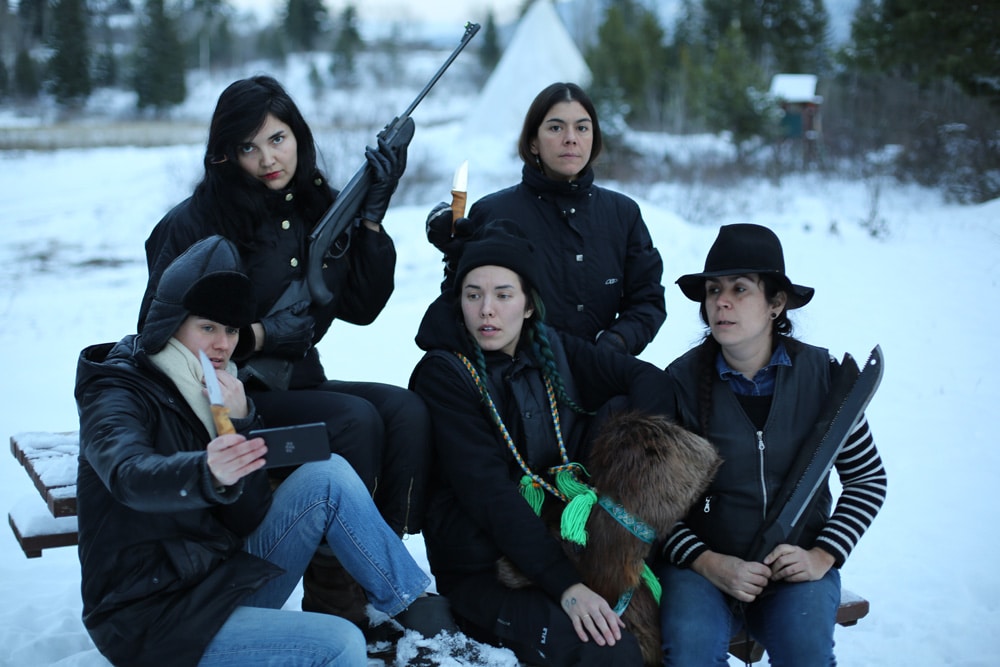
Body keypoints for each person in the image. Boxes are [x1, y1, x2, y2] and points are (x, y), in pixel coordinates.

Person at [137, 75, 430, 624]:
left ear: (299, 136)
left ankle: (374, 561)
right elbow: (158, 335)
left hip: (298, 385)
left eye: (278, 139)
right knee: (355, 421)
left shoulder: (318, 206)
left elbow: (363, 306)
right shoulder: (195, 224)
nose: (268, 159)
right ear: (225, 155)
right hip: (223, 407)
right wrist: (258, 336)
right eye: (248, 147)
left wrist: (371, 219)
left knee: (405, 412)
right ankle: (337, 603)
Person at [75, 236, 433, 667]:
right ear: (171, 322)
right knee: (340, 644)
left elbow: (246, 517)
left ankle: (418, 616)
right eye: (208, 327)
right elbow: (127, 474)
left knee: (328, 475)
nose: (223, 345)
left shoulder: (219, 390)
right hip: (152, 620)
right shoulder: (117, 389)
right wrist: (205, 471)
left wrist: (243, 422)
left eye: (231, 330)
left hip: (218, 584)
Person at [409, 220, 675, 666]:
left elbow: (646, 379)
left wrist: (626, 478)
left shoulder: (551, 348)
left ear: (529, 305)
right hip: (485, 570)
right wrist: (568, 587)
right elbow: (489, 493)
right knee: (609, 652)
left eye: (503, 295)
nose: (487, 310)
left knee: (673, 624)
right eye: (473, 295)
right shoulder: (445, 374)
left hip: (562, 543)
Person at [656, 223, 888, 665]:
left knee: (807, 653)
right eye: (713, 290)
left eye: (740, 289)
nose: (721, 301)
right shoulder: (678, 385)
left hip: (794, 567)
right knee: (690, 651)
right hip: (701, 571)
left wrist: (822, 554)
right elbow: (653, 505)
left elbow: (867, 479)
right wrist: (707, 561)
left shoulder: (824, 378)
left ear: (776, 304)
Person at [425, 82, 665, 356]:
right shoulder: (494, 213)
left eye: (582, 128)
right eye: (556, 128)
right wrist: (453, 257)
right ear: (533, 142)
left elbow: (648, 300)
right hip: (515, 376)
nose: (571, 138)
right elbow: (463, 306)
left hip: (602, 372)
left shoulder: (622, 214)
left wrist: (617, 342)